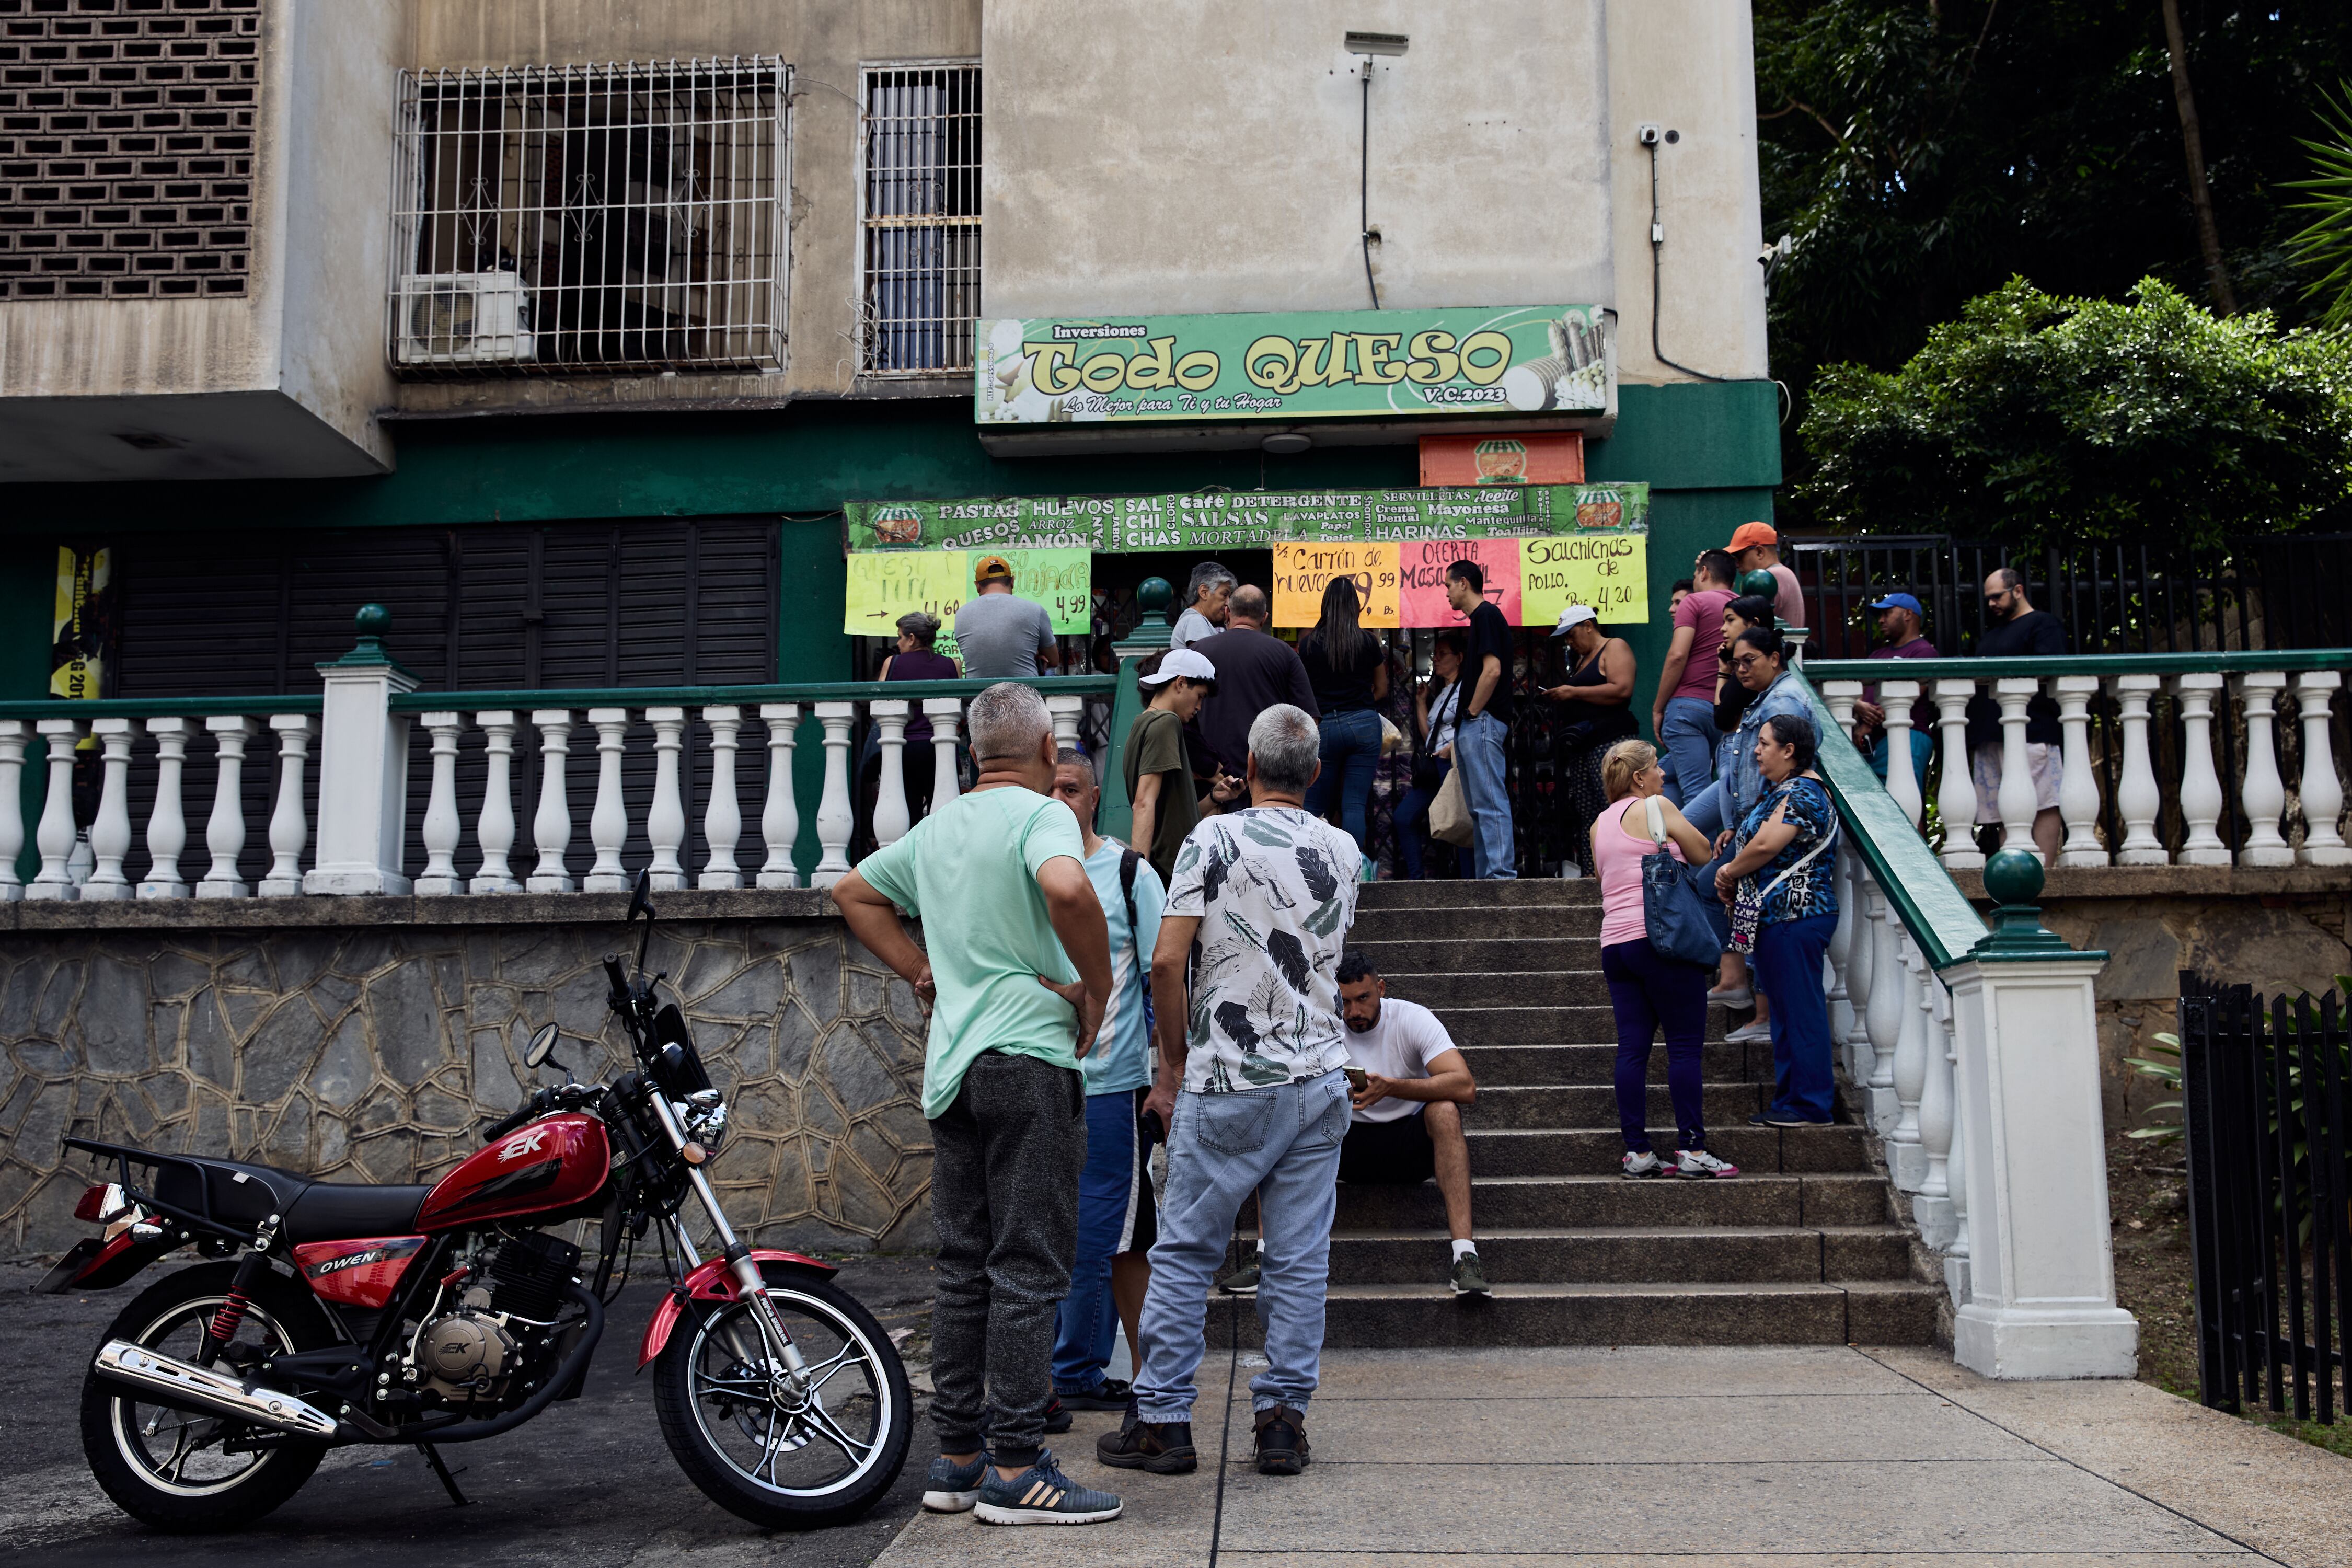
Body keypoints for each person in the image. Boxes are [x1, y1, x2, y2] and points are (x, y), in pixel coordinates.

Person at [830, 682, 1123, 1527]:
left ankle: (958, 1459)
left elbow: (854, 893)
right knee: (1028, 1265)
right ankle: (1021, 1469)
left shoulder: (938, 827)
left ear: (970, 755)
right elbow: (1069, 894)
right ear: (1043, 753)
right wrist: (1095, 988)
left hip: (952, 1070)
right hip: (1028, 1061)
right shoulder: (1042, 815)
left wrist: (919, 968)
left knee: (965, 1266)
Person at [1101, 704, 1359, 1481]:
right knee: (1299, 1258)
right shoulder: (1344, 849)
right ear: (1314, 774)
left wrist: (1171, 1063)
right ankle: (1282, 1422)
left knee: (1183, 1254)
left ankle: (1164, 1421)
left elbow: (1167, 961)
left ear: (1247, 769)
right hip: (1318, 1078)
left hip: (1228, 1078)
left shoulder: (1209, 839)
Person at [1045, 749, 1165, 1415]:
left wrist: (1164, 1071)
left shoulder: (1127, 873)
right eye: (1051, 788)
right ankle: (1065, 1373)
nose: (1061, 799)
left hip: (1112, 1085)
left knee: (1105, 1235)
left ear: (1093, 798)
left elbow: (1165, 969)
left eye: (1072, 789)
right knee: (1048, 1231)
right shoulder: (1030, 871)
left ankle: (1078, 1372)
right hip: (1039, 1076)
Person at [1590, 740, 1739, 1179]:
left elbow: (1607, 877)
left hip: (1616, 946)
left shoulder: (1598, 824)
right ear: (1639, 778)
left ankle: (1637, 1152)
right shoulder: (1658, 805)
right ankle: (1692, 1149)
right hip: (1663, 941)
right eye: (1656, 768)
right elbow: (1700, 853)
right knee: (1685, 1048)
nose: (1662, 775)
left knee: (1632, 1048)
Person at [1712, 712, 1841, 1127]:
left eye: (1765, 743)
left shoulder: (1804, 791)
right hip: (1777, 919)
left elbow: (1768, 843)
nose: (1756, 749)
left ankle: (1810, 1105)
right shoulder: (1782, 790)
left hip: (1795, 916)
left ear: (1790, 751)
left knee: (1800, 1012)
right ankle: (1791, 1101)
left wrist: (1730, 871)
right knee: (1785, 1015)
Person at [1334, 953, 1490, 1293]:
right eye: (1345, 1002)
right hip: (1346, 1147)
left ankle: (1465, 1258)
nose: (1354, 1013)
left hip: (1407, 1147)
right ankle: (1266, 1254)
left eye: (1363, 999)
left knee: (1445, 1109)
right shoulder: (1324, 1024)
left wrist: (1393, 1087)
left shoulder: (1411, 1019)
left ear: (1381, 989)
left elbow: (1465, 1086)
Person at [1692, 617, 1812, 1046]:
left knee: (1722, 888)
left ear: (1775, 658)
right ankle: (1741, 989)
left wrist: (1749, 827)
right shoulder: (1763, 698)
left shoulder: (1786, 702)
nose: (1741, 668)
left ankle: (1748, 995)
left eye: (1750, 660)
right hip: (1749, 823)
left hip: (1769, 826)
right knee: (1732, 895)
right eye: (1734, 661)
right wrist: (1733, 826)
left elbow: (1779, 770)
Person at [1968, 567, 2067, 864]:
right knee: (2004, 808)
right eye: (1988, 599)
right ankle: (2014, 875)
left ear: (2018, 591)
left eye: (1997, 596)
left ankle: (2044, 873)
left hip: (2032, 730)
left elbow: (2051, 671)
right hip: (1991, 734)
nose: (1991, 604)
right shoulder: (1993, 635)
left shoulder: (2043, 624)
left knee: (2044, 801)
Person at [1123, 647, 1240, 889]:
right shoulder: (1166, 722)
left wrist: (1213, 797)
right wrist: (1139, 877)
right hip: (1169, 870)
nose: (1199, 706)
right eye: (1200, 696)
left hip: (1169, 866)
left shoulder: (1142, 722)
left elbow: (1172, 816)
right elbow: (1144, 802)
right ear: (1180, 683)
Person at [1539, 604, 1638, 877]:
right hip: (1584, 747)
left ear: (1588, 626)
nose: (1570, 642)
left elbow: (1622, 688)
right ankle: (1595, 875)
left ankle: (1627, 873)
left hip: (1610, 742)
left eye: (1571, 635)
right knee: (1590, 815)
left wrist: (1574, 692)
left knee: (1616, 807)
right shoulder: (1581, 660)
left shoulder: (1614, 647)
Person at [1298, 575, 1390, 858]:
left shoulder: (1309, 644)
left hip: (1323, 726)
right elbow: (1382, 689)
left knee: (1313, 804)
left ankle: (1306, 868)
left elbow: (1304, 692)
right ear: (1356, 606)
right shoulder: (1368, 642)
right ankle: (1354, 872)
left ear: (1325, 605)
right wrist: (1360, 704)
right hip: (1363, 724)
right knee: (1354, 805)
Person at [1192, 584, 1316, 778]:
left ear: (1227, 613)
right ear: (1264, 617)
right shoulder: (1285, 654)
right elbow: (1309, 721)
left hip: (1212, 775)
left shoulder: (1198, 652)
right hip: (1267, 773)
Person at [1445, 558, 1516, 880]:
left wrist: (1473, 712)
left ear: (1463, 583)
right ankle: (1490, 877)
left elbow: (1493, 670)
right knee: (1480, 808)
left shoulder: (1486, 614)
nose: (1447, 593)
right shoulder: (1482, 619)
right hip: (1479, 723)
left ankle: (1500, 877)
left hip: (1483, 721)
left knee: (1488, 803)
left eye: (1448, 585)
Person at [1651, 550, 1739, 808]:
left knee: (1695, 791)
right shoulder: (1741, 606)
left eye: (1696, 572)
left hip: (1687, 709)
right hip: (1725, 711)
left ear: (1704, 572)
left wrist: (1658, 708)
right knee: (1670, 778)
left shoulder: (1694, 601)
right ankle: (1686, 844)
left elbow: (1678, 655)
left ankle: (1702, 848)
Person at [1394, 630, 1465, 879]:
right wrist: (1422, 703)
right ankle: (1418, 879)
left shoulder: (1465, 689)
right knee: (1404, 817)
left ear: (1459, 658)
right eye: (1436, 654)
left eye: (1443, 654)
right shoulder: (1443, 692)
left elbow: (1469, 725)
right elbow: (1429, 735)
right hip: (1436, 764)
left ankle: (1468, 881)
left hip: (1452, 764)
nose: (1436, 659)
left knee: (1457, 820)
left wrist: (1452, 748)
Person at [877, 610, 959, 821]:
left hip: (904, 750)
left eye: (900, 637)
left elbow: (879, 707)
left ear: (912, 639)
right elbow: (961, 711)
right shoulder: (951, 665)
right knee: (943, 816)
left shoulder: (893, 664)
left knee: (907, 815)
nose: (898, 643)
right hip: (941, 750)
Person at [1851, 592, 1939, 786]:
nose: (1881, 621)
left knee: (1906, 804)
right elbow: (1857, 690)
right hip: (1874, 741)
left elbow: (1910, 694)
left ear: (1908, 615)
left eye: (1887, 614)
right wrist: (1858, 706)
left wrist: (1867, 725)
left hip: (1908, 735)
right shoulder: (1878, 654)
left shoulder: (1924, 652)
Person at [953, 555, 1059, 678]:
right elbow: (1053, 661)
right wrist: (1031, 654)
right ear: (1013, 581)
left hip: (981, 695)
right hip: (1024, 693)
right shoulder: (1035, 610)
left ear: (977, 586)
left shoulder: (961, 614)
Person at [1727, 522, 1805, 631]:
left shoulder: (1770, 577)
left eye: (1739, 557)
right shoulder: (1783, 573)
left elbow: (1747, 627)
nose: (1737, 564)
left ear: (1760, 552)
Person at [1169, 561, 1236, 652]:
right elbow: (1210, 659)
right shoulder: (1195, 621)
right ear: (1204, 592)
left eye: (1229, 597)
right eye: (1224, 595)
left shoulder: (1193, 619)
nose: (1228, 603)